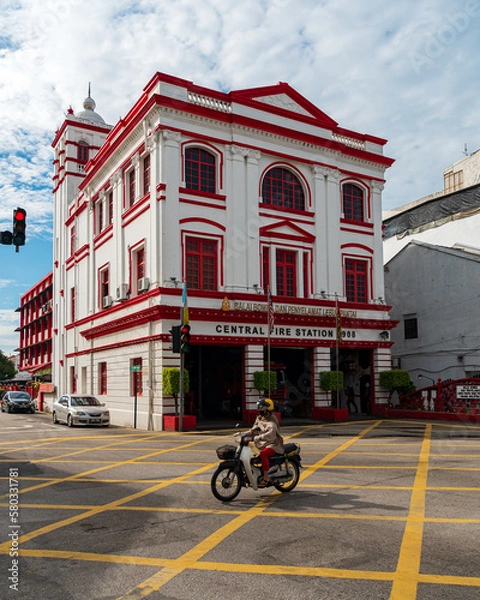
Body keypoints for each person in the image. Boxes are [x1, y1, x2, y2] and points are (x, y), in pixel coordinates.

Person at [244, 398, 284, 487]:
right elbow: (253, 429)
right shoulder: (260, 417)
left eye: (262, 409)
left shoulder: (272, 420)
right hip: (263, 442)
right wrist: (242, 434)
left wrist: (258, 438)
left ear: (268, 409)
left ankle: (266, 478)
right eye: (259, 409)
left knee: (263, 454)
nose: (260, 411)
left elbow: (270, 435)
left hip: (273, 443)